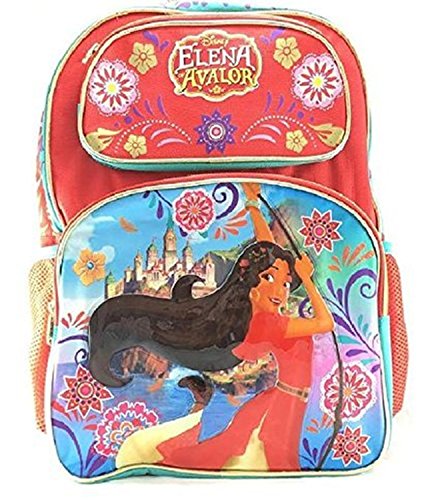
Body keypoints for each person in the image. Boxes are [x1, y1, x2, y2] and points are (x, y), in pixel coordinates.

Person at [102, 182, 334, 472]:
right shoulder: (269, 322)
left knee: (247, 457)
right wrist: (307, 279)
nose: (281, 289)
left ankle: (195, 415)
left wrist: (252, 205)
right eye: (269, 279)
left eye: (286, 283)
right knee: (266, 460)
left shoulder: (266, 308)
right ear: (251, 283)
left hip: (283, 400)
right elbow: (325, 323)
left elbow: (268, 254)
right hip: (285, 404)